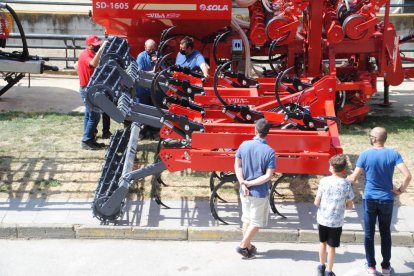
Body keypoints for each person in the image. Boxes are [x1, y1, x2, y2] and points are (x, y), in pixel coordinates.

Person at [348, 127, 412, 276]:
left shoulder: (365, 154)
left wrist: (340, 177)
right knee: (385, 234)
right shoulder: (394, 154)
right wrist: (400, 190)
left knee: (369, 234)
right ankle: (386, 267)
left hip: (369, 198)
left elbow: (354, 178)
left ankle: (371, 267)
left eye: (371, 136)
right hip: (387, 200)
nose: (370, 137)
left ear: (375, 139)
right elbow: (408, 176)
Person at [234, 118, 276, 259]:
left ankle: (249, 248)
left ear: (255, 130)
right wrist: (250, 183)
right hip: (259, 192)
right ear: (267, 133)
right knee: (257, 223)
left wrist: (242, 183)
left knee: (247, 220)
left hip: (244, 191)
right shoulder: (270, 151)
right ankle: (242, 246)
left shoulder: (244, 145)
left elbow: (237, 165)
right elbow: (268, 176)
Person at [314, 154, 354, 276]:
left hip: (323, 219)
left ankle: (321, 266)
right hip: (336, 222)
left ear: (331, 167)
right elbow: (350, 205)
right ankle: (329, 271)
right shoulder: (346, 184)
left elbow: (316, 202)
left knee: (322, 243)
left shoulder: (323, 181)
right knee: (332, 247)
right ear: (343, 169)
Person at [77, 34, 107, 150]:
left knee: (89, 115)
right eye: (96, 45)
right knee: (94, 116)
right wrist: (101, 50)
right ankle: (86, 140)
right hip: (87, 89)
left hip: (89, 88)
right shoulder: (85, 55)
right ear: (89, 45)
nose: (98, 47)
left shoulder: (91, 53)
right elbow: (93, 63)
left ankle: (90, 138)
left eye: (98, 44)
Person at [136, 39, 160, 139]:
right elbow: (140, 73)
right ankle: (143, 132)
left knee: (155, 109)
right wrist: (153, 71)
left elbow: (163, 70)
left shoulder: (158, 55)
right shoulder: (141, 56)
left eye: (152, 49)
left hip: (154, 89)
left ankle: (154, 132)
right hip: (143, 89)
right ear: (145, 48)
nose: (151, 51)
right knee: (143, 110)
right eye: (149, 49)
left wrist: (157, 61)